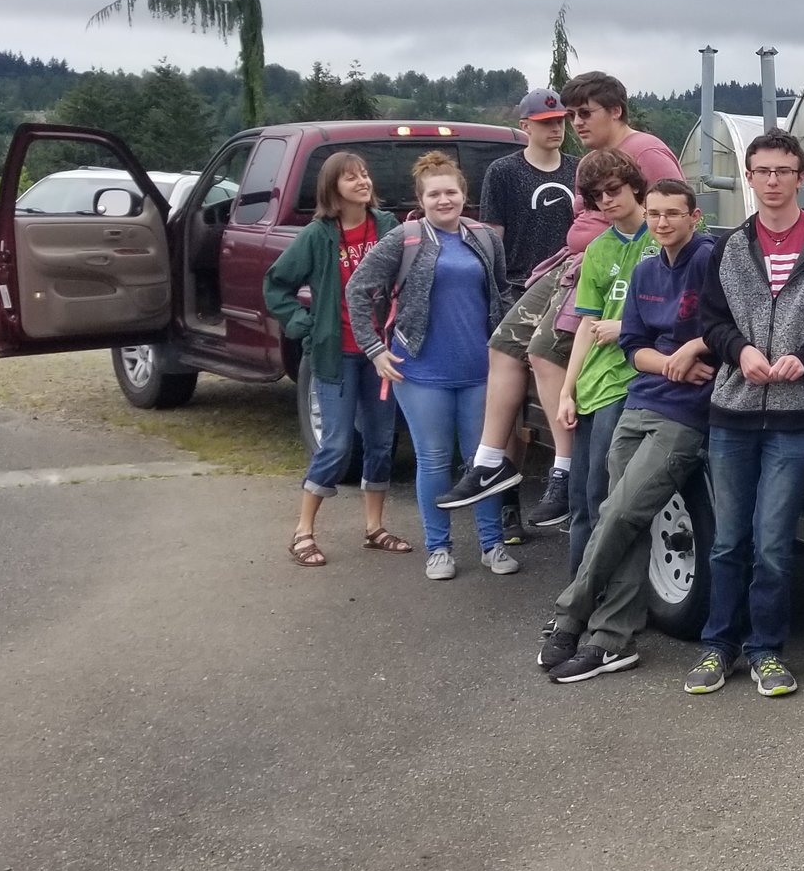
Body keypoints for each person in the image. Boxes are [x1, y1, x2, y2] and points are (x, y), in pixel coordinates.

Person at [438, 70, 682, 524]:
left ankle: (563, 471)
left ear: (616, 111)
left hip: (615, 270)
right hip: (575, 263)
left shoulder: (645, 151)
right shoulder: (593, 158)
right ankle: (491, 461)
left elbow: (679, 214)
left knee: (544, 350)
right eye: (570, 116)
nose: (576, 124)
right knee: (504, 343)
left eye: (584, 114)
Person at [685, 129, 804, 698]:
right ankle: (718, 646)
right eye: (763, 171)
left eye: (785, 171)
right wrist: (743, 352)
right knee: (728, 541)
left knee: (774, 545)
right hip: (732, 412)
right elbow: (710, 321)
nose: (774, 181)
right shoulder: (728, 247)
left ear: (801, 177)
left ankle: (767, 651)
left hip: (794, 415)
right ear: (750, 178)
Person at [539, 180, 719, 683]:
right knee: (626, 517)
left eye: (672, 214)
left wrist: (692, 351)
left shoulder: (709, 261)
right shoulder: (645, 270)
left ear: (694, 216)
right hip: (641, 401)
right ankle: (612, 639)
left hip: (685, 415)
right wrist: (670, 363)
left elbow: (730, 327)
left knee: (619, 510)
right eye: (656, 214)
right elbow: (632, 346)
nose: (662, 223)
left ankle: (572, 613)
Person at [347, 150, 516, 582]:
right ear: (420, 200)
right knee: (435, 460)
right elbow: (357, 288)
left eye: (452, 192)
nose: (445, 200)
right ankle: (438, 549)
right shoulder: (405, 238)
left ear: (465, 195)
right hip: (419, 371)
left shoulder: (484, 238)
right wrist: (374, 349)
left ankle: (492, 543)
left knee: (483, 462)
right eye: (435, 194)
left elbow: (500, 294)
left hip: (482, 369)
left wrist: (512, 350)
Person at [266, 151, 410, 567]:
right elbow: (276, 284)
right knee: (337, 444)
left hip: (379, 355)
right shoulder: (317, 236)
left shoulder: (387, 227)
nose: (362, 182)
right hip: (337, 353)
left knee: (382, 442)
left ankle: (374, 528)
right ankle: (303, 533)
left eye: (365, 175)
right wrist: (304, 325)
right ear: (333, 189)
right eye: (351, 178)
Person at [552, 149, 661, 577]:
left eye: (613, 190)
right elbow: (585, 324)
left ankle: (598, 594)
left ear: (635, 185)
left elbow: (680, 309)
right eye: (597, 196)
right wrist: (567, 389)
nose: (607, 201)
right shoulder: (598, 248)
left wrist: (627, 327)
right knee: (580, 497)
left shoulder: (663, 235)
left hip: (631, 379)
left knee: (604, 492)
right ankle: (575, 594)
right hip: (593, 382)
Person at [476, 86, 578, 300]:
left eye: (560, 121)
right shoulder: (503, 171)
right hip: (519, 287)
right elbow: (493, 234)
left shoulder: (580, 170)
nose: (556, 129)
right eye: (546, 122)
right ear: (525, 126)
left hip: (570, 285)